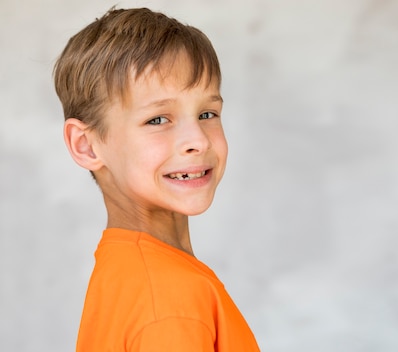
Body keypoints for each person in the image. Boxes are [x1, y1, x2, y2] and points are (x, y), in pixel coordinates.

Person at [53, 7, 260, 351]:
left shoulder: (126, 272)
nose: (199, 140)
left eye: (207, 114)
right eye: (158, 120)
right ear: (86, 145)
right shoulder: (169, 299)